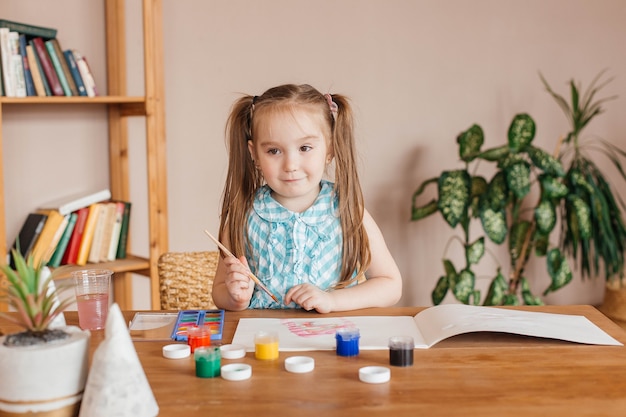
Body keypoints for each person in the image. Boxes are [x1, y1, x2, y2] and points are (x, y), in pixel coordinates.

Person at [212, 83, 402, 313]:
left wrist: (332, 301)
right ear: (255, 155)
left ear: (330, 148)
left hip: (331, 340)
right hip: (265, 341)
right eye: (274, 151)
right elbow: (219, 291)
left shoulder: (348, 210)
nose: (291, 165)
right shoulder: (243, 215)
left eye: (304, 147)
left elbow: (391, 285)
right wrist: (236, 298)